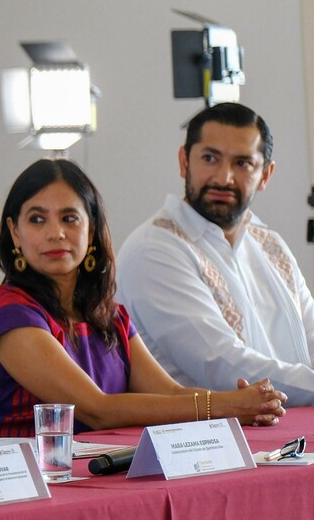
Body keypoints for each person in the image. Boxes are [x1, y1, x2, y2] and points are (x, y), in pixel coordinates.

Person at [0, 158, 285, 440]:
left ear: (92, 228)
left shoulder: (109, 315)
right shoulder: (11, 315)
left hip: (86, 474)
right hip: (3, 485)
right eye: (37, 219)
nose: (55, 233)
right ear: (15, 232)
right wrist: (225, 406)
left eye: (69, 218)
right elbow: (97, 409)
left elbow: (168, 392)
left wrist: (240, 402)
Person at [117, 103, 314, 405]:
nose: (224, 178)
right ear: (184, 161)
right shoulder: (154, 248)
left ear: (266, 174)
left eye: (243, 163)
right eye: (210, 158)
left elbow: (311, 332)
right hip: (204, 444)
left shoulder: (269, 244)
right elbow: (223, 365)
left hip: (288, 433)